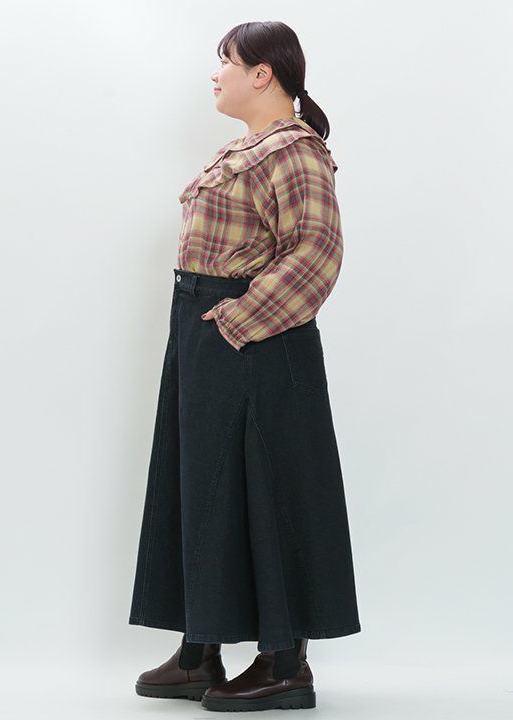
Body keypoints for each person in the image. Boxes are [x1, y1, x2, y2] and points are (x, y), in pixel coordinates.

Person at [128, 20, 361, 712]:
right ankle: (200, 650)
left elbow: (317, 251)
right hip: (205, 331)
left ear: (263, 73)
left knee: (270, 485)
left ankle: (285, 664)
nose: (215, 74)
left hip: (255, 338)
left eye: (225, 61)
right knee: (203, 484)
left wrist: (238, 321)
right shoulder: (243, 149)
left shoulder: (294, 151)